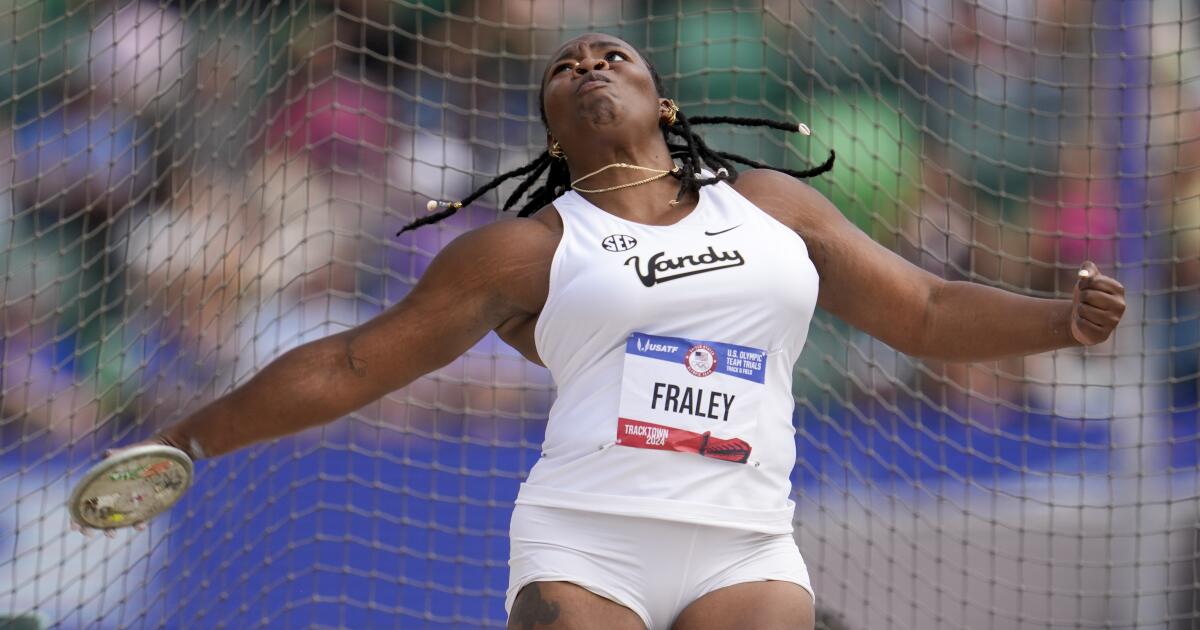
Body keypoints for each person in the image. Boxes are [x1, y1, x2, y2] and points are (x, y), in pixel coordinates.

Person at [76, 33, 1127, 630]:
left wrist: (1061, 323)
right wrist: (194, 437)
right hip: (587, 540)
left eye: (611, 53)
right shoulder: (520, 251)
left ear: (663, 104)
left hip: (743, 539)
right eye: (567, 65)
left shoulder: (770, 204)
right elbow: (355, 362)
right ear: (549, 128)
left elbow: (929, 312)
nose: (587, 62)